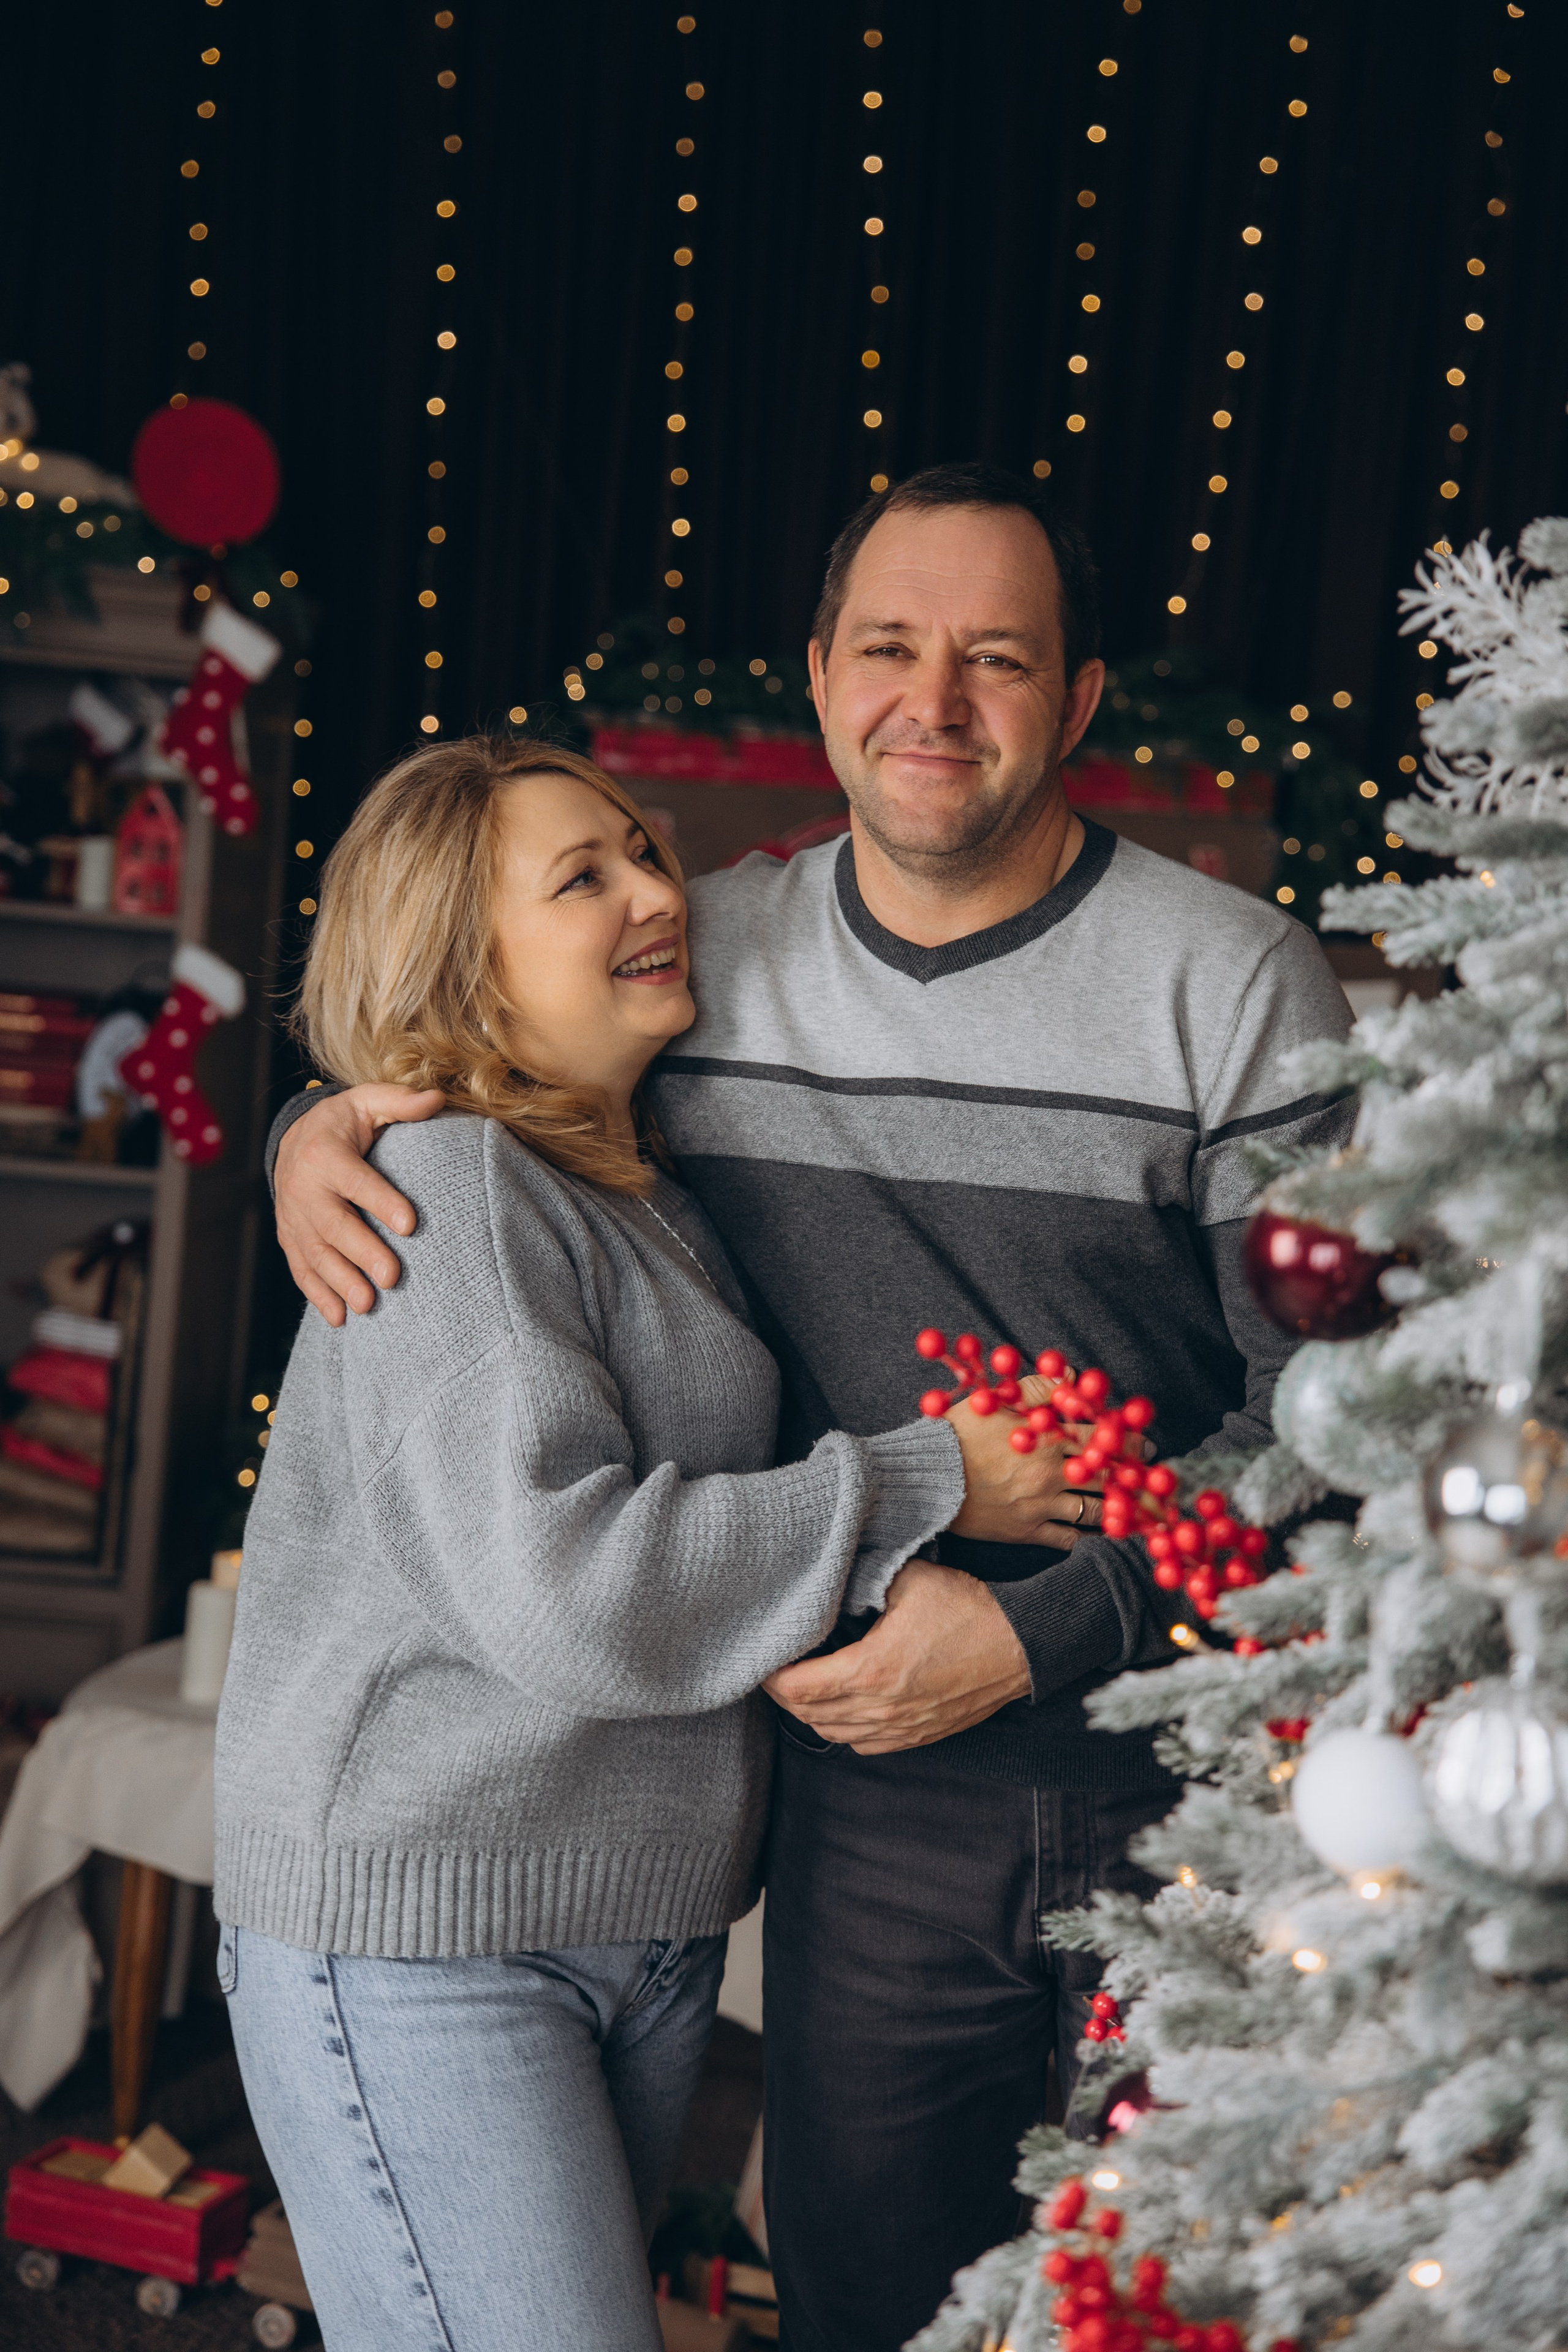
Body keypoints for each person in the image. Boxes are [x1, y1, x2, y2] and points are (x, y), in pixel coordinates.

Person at [267, 464, 1354, 2352]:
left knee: (1189, 2306)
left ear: (1081, 700)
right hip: (864, 1810)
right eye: (890, 648)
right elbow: (475, 1063)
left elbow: (1336, 1412)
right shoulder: (701, 962)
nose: (935, 702)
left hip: (1188, 1781)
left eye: (998, 657)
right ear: (820, 674)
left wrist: (1042, 1634)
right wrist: (321, 1128)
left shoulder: (1236, 981)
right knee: (866, 2308)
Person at [216, 737, 1107, 2352]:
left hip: (630, 1926)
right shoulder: (453, 1187)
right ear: (460, 963)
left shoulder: (637, 1186)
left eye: (643, 848)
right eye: (583, 877)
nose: (653, 892)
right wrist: (927, 1483)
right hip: (430, 1930)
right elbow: (571, 1589)